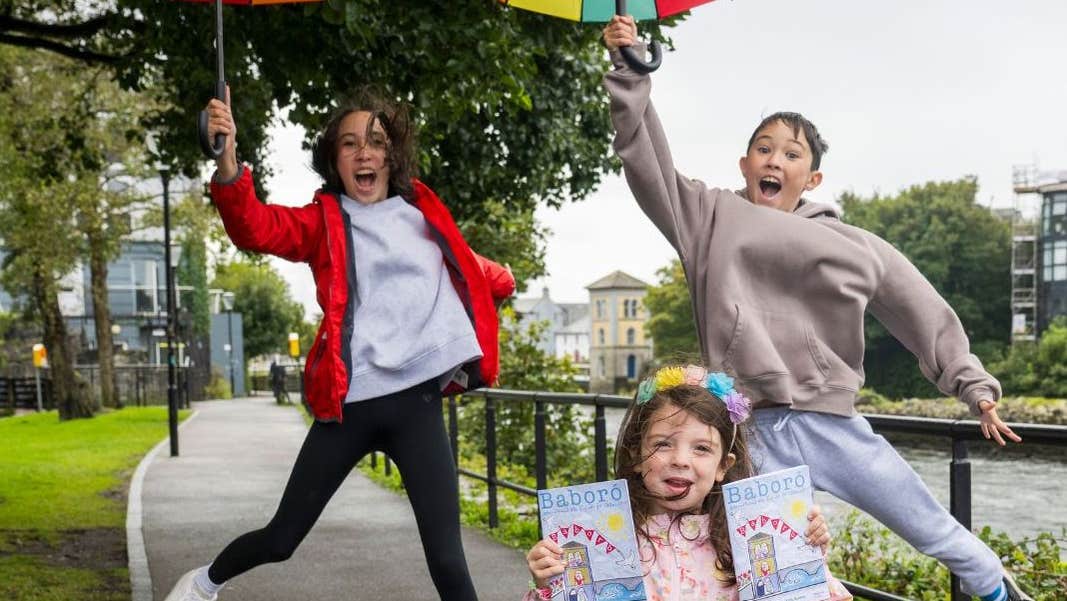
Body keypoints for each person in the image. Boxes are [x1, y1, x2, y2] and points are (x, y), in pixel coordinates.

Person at [601, 14, 1031, 601]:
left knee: (927, 523)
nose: (775, 160)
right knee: (769, 573)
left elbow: (919, 308)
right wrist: (632, 70)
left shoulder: (852, 245)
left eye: (791, 153)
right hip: (751, 432)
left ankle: (1001, 593)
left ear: (812, 175)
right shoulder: (706, 217)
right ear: (746, 165)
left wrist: (973, 387)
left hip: (834, 424)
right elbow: (643, 162)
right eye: (763, 149)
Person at [163, 86, 515, 601]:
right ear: (335, 160)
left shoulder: (424, 215)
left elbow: (479, 272)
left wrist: (500, 285)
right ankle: (203, 583)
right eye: (350, 144)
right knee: (282, 539)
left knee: (447, 558)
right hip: (348, 407)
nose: (364, 152)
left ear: (392, 154)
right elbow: (254, 228)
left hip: (416, 406)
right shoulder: (321, 223)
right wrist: (227, 159)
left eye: (375, 141)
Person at [524, 365, 852, 601]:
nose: (680, 459)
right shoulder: (601, 540)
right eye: (663, 443)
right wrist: (549, 585)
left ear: (724, 466)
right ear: (636, 454)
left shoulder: (744, 538)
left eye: (702, 449)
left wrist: (804, 552)